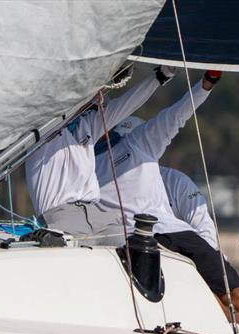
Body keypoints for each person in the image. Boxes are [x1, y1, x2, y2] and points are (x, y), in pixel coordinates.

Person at [94, 72, 239, 334]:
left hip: (178, 233)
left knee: (235, 294)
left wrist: (205, 85)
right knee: (204, 289)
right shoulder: (90, 168)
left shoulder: (149, 154)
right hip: (146, 239)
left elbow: (176, 115)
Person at [24, 66, 175, 246]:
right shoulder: (43, 130)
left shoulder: (87, 125)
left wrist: (159, 77)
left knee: (140, 249)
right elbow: (55, 99)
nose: (100, 105)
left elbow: (126, 105)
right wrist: (99, 82)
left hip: (98, 215)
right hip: (61, 217)